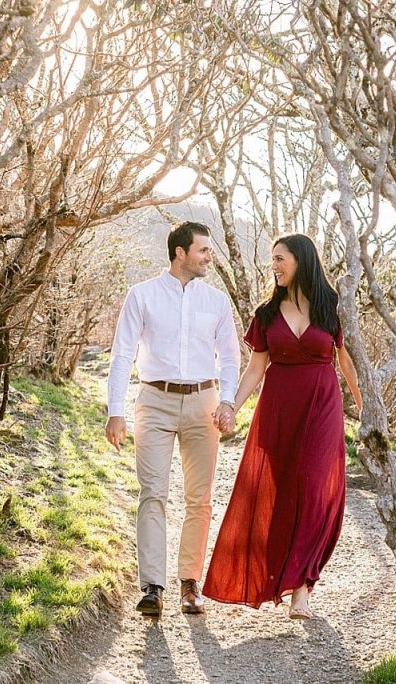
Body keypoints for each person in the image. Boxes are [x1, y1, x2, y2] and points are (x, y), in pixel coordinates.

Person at [202, 233, 361, 620]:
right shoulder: (266, 314)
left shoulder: (331, 307)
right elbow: (257, 367)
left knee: (312, 487)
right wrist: (231, 406)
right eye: (272, 259)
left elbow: (347, 362)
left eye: (280, 259)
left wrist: (366, 408)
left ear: (301, 260)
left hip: (322, 406)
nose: (273, 266)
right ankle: (282, 577)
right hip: (278, 408)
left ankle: (302, 588)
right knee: (281, 492)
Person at [104, 221, 241, 617]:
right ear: (179, 253)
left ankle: (189, 584)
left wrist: (228, 401)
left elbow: (230, 357)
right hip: (155, 400)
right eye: (202, 251)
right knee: (153, 493)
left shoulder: (216, 302)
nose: (208, 258)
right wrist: (116, 411)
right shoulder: (142, 295)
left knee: (199, 499)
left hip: (204, 402)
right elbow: (121, 354)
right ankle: (152, 586)